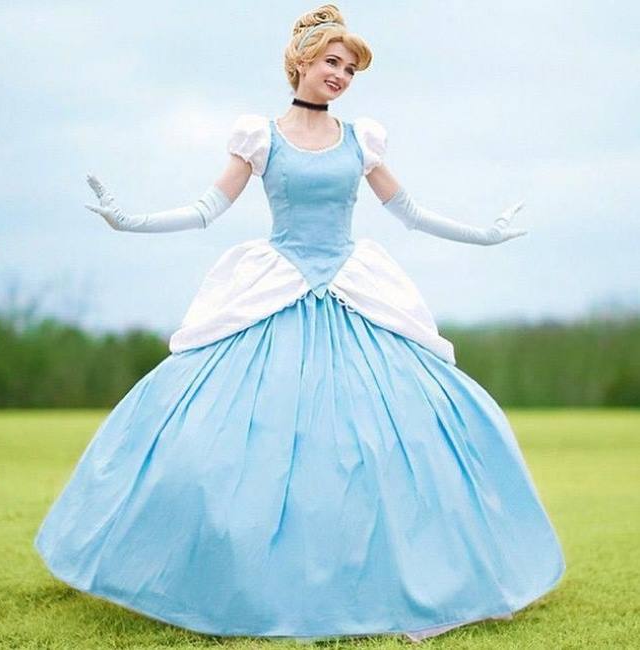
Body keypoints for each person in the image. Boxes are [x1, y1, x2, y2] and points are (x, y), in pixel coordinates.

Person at [33, 3, 566, 643]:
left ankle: (399, 576)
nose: (340, 75)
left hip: (353, 291)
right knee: (221, 434)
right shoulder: (260, 137)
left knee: (401, 434)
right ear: (302, 63)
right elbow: (206, 209)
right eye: (332, 62)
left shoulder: (361, 140)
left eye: (350, 69)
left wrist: (486, 234)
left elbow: (410, 211)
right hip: (277, 288)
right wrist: (129, 221)